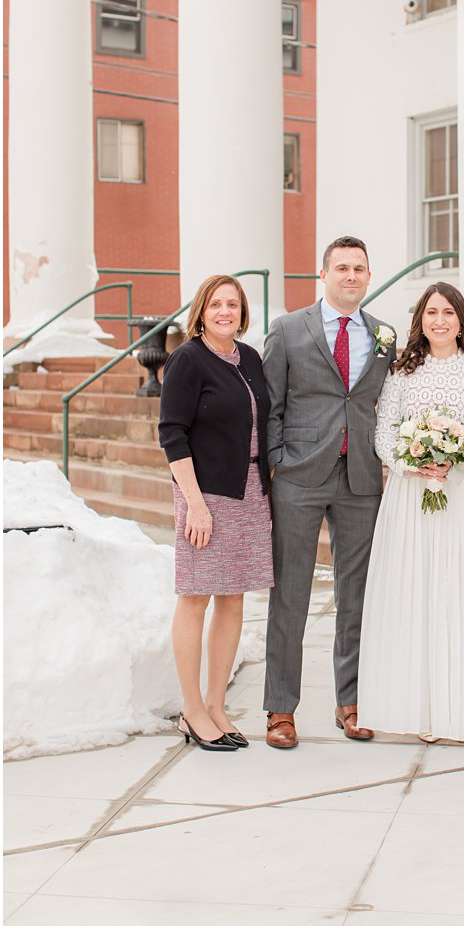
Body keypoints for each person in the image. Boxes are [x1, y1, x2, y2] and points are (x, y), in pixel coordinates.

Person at [261, 235, 396, 749]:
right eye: (342, 268)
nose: (351, 276)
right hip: (299, 476)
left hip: (361, 478)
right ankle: (280, 710)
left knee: (357, 595)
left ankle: (352, 701)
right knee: (289, 595)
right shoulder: (289, 329)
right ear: (324, 275)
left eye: (360, 268)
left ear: (368, 275)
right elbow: (269, 404)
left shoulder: (384, 334)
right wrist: (277, 461)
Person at [357, 283, 464, 742]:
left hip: (460, 497)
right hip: (409, 497)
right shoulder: (403, 373)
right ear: (419, 320)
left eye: (447, 312)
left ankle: (454, 710)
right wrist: (412, 464)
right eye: (430, 313)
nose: (439, 321)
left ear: (462, 319)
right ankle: (416, 707)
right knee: (414, 593)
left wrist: (456, 462)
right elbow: (383, 434)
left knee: (455, 592)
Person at [158, 274, 274, 752]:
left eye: (233, 304)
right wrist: (196, 505)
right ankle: (192, 710)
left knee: (233, 598)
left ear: (242, 312)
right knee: (196, 596)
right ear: (201, 311)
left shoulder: (249, 358)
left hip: (250, 491)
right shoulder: (187, 359)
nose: (225, 311)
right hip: (204, 494)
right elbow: (172, 434)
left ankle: (216, 705)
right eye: (216, 304)